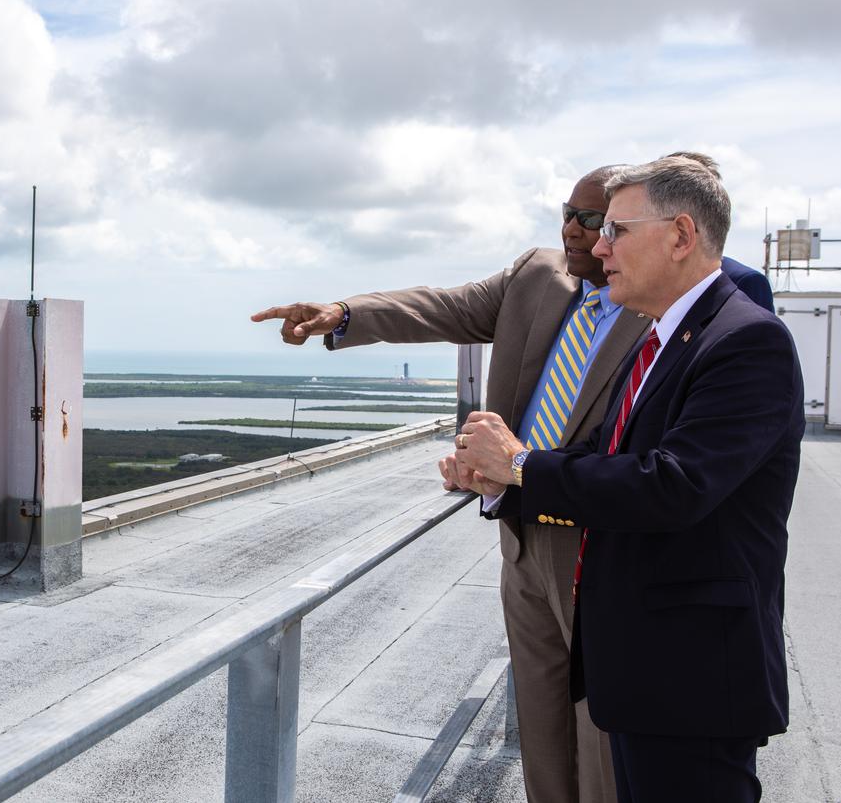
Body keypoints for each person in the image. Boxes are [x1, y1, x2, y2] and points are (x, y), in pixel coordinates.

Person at [253, 167, 648, 803]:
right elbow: (444, 306)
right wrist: (342, 313)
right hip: (521, 544)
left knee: (601, 738)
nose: (576, 231)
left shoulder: (662, 308)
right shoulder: (538, 277)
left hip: (601, 551)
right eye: (568, 215)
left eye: (596, 221)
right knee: (542, 728)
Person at [453, 154, 803, 802]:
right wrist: (498, 480)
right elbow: (599, 452)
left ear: (680, 236)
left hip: (692, 682)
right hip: (645, 674)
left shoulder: (748, 342)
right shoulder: (661, 340)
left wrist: (522, 462)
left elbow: (671, 486)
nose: (597, 245)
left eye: (617, 230)